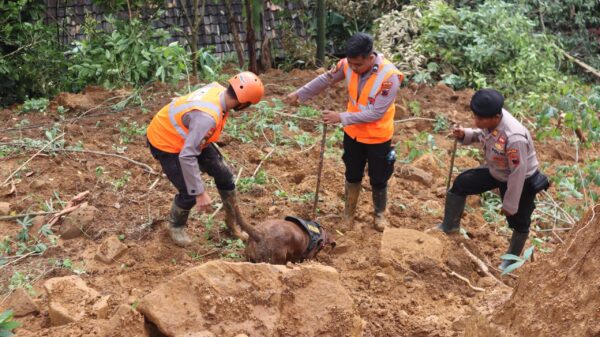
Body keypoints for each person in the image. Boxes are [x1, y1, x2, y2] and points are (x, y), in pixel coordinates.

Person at [285, 33, 404, 232]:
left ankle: (380, 214)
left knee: (379, 177)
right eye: (351, 64)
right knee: (352, 173)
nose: (353, 69)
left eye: (358, 65)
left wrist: (341, 117)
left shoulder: (389, 77)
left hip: (378, 136)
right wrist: (300, 94)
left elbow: (376, 113)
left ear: (369, 57)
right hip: (353, 134)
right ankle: (348, 214)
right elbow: (326, 79)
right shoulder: (347, 64)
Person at [146, 72, 265, 246]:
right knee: (189, 192)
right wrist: (200, 192)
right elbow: (187, 155)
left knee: (224, 176)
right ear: (243, 103)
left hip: (193, 136)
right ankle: (176, 226)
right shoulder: (207, 117)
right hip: (166, 141)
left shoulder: (217, 89)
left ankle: (232, 222)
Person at [438, 88, 549, 269]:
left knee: (519, 222)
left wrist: (510, 203)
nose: (476, 121)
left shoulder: (514, 137)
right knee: (461, 184)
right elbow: (482, 135)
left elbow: (518, 172)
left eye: (479, 119)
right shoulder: (491, 121)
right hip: (497, 170)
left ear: (496, 117)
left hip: (521, 181)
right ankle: (449, 227)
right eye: (475, 117)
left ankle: (510, 261)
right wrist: (465, 134)